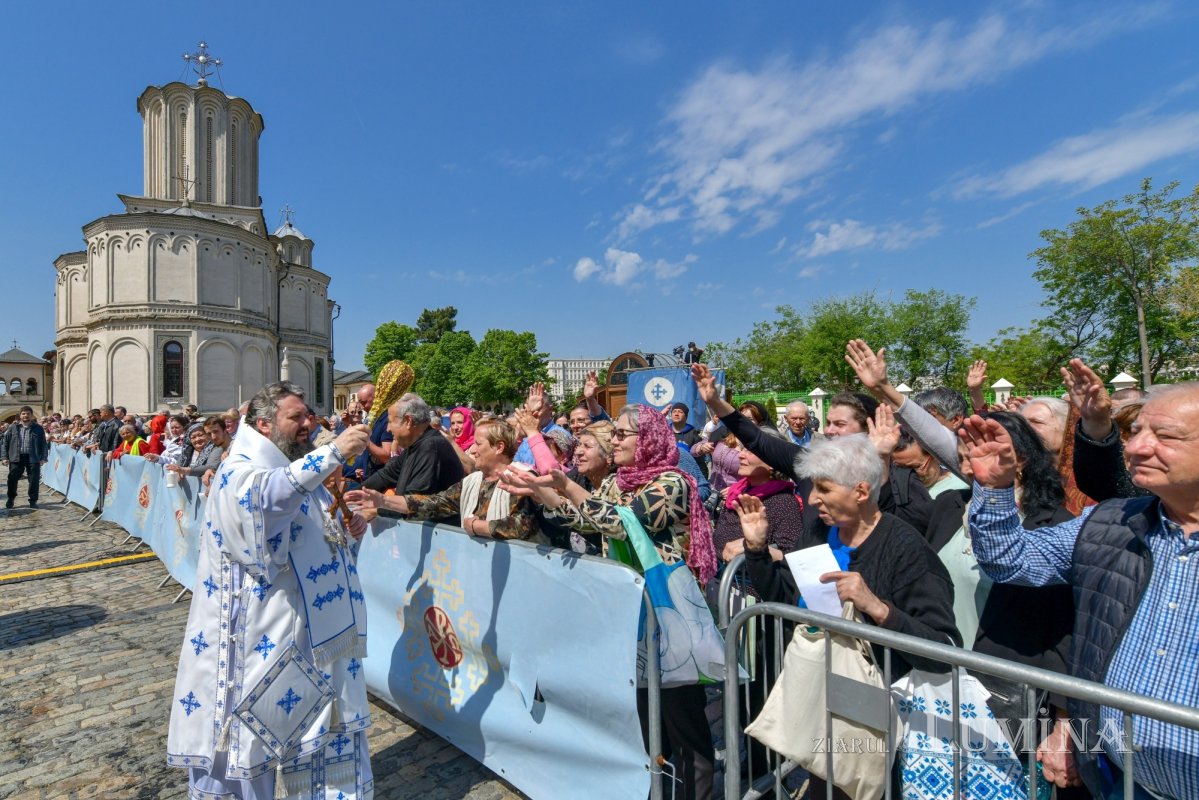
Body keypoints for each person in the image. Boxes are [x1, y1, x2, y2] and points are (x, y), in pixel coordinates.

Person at [962, 380, 1199, 799]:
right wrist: (996, 489)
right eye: (1137, 431)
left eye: (1164, 436)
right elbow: (1012, 562)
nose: (1137, 447)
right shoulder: (1112, 521)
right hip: (1120, 779)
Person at [167, 381, 372, 798]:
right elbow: (266, 500)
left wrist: (349, 531)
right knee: (249, 742)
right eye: (296, 417)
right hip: (252, 640)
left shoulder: (290, 466)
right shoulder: (242, 468)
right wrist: (333, 451)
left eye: (308, 416)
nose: (307, 424)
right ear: (263, 424)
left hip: (306, 636)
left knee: (313, 735)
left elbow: (309, 538)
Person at [510, 404, 717, 800]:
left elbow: (623, 522)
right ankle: (658, 788)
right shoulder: (618, 482)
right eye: (617, 433)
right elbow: (584, 519)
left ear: (649, 440)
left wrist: (566, 485)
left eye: (623, 434)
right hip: (630, 614)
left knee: (682, 718)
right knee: (644, 714)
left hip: (667, 613)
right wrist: (539, 490)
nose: (616, 439)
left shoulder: (671, 482)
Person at [736, 434, 959, 800]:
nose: (811, 500)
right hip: (825, 706)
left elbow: (944, 650)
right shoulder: (821, 533)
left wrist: (877, 607)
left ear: (860, 491)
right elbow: (787, 602)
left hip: (883, 726)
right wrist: (758, 550)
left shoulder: (906, 549)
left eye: (823, 488)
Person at [349, 419, 543, 541]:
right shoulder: (472, 481)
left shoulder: (522, 479)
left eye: (478, 444)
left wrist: (479, 527)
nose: (472, 450)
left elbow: (525, 525)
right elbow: (435, 503)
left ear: (499, 447)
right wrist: (383, 502)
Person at [359, 393, 466, 510]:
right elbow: (386, 475)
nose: (388, 429)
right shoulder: (416, 444)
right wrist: (355, 495)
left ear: (408, 421)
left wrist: (377, 511)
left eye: (390, 422)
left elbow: (413, 502)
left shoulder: (430, 447)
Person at [3, 406, 48, 509]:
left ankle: (33, 501)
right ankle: (11, 499)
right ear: (20, 415)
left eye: (28, 413)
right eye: (23, 413)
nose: (26, 415)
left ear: (31, 415)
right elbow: (5, 443)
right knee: (12, 479)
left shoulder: (38, 428)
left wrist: (44, 457)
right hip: (16, 457)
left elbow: (43, 444)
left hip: (33, 457)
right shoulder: (12, 427)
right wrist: (5, 457)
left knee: (34, 480)